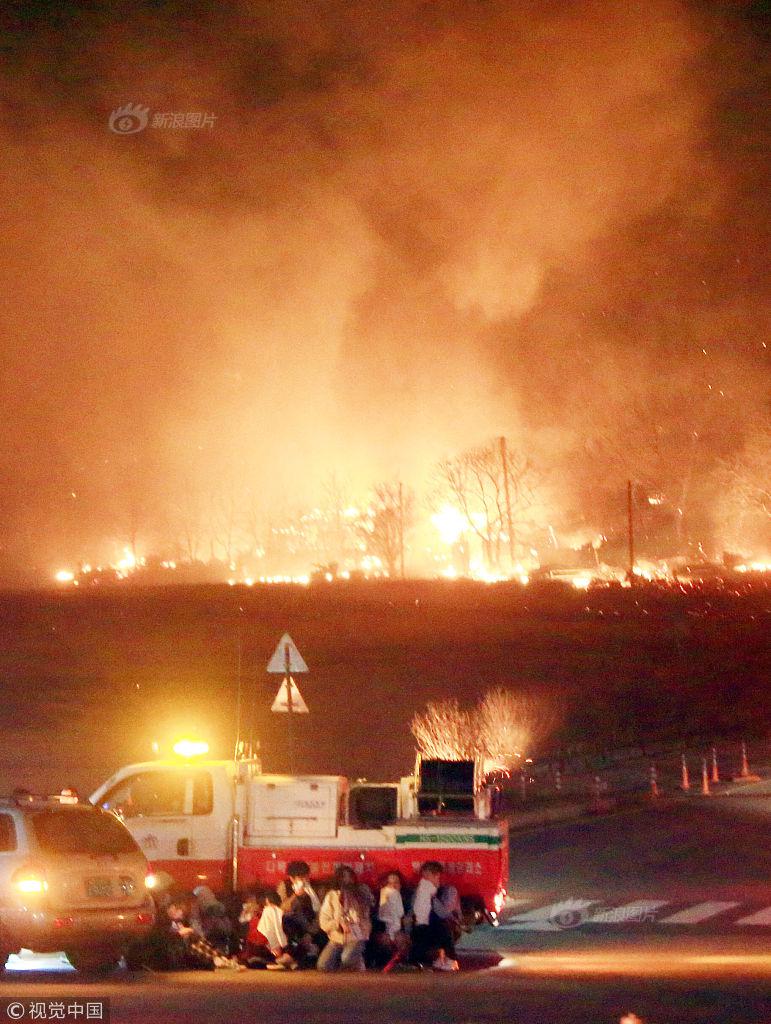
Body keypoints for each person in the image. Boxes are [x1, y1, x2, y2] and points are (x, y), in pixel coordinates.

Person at [317, 865, 372, 972]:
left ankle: (355, 960)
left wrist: (350, 922)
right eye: (343, 877)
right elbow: (323, 922)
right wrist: (338, 923)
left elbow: (362, 918)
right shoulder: (331, 896)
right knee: (323, 966)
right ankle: (342, 963)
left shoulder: (361, 894)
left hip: (356, 937)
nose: (346, 880)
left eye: (349, 877)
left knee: (346, 959)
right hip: (336, 938)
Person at [410, 861, 459, 971]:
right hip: (424, 925)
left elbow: (444, 913)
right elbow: (414, 910)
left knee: (442, 927)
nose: (424, 879)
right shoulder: (422, 889)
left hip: (435, 925)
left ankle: (449, 959)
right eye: (423, 876)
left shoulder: (447, 890)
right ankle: (418, 961)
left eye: (427, 875)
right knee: (427, 930)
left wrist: (433, 897)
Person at [237, 890, 297, 970]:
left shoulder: (263, 913)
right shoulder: (280, 914)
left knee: (254, 960)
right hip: (269, 952)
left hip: (259, 952)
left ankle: (278, 961)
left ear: (267, 901)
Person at [192, 885, 235, 954]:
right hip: (221, 943)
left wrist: (201, 935)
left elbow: (198, 926)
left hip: (210, 944)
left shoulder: (200, 908)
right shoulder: (220, 906)